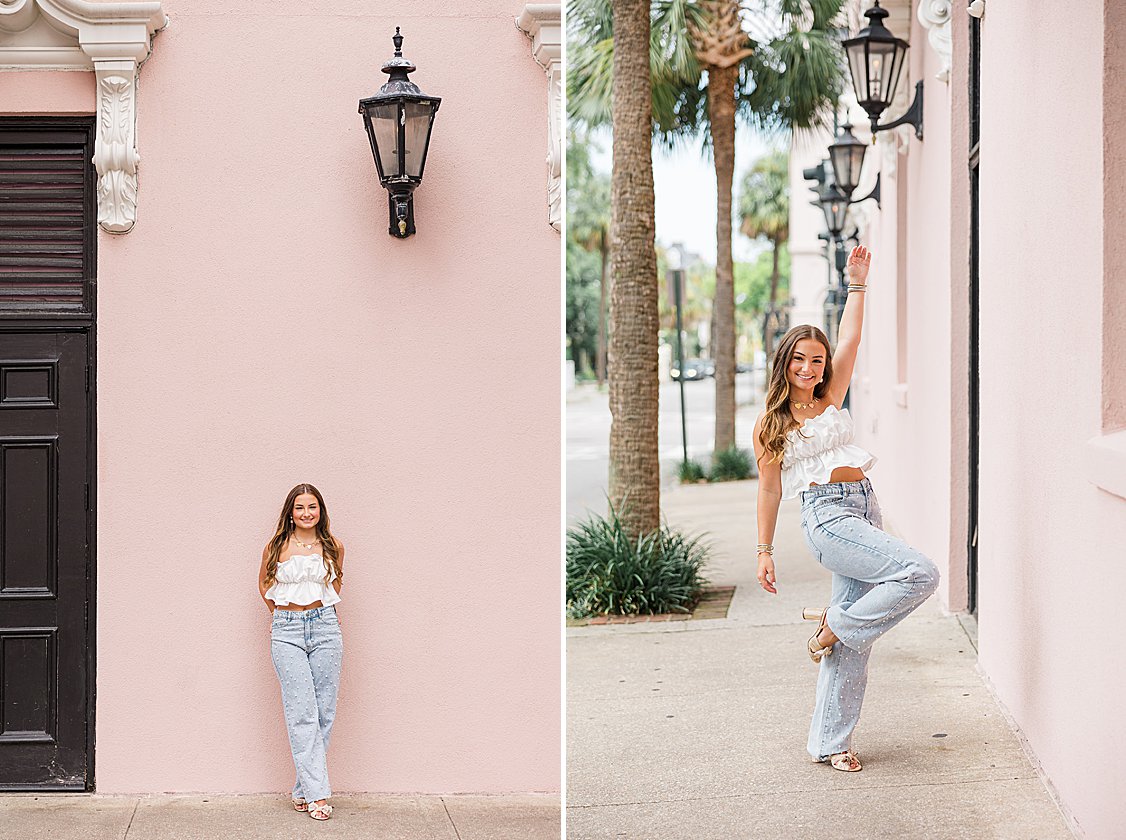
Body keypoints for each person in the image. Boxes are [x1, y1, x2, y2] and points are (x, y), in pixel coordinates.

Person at [751, 245, 939, 773]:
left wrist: (857, 283)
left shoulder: (830, 396)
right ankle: (836, 623)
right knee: (920, 572)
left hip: (863, 507)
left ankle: (830, 742)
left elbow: (851, 338)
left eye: (817, 359)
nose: (809, 367)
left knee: (852, 647)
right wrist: (764, 550)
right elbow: (769, 491)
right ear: (784, 362)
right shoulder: (771, 424)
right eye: (799, 358)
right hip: (826, 519)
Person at [258, 483, 345, 819]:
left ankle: (303, 790)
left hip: (326, 628)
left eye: (312, 507)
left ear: (320, 511)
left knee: (323, 712)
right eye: (300, 507)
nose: (307, 513)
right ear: (290, 513)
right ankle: (318, 796)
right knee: (302, 712)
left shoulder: (333, 545)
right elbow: (264, 586)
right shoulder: (276, 546)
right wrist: (284, 618)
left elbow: (335, 584)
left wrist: (321, 615)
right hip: (287, 630)